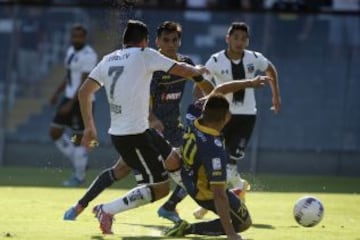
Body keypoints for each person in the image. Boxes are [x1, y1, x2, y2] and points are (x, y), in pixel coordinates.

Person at [62, 20, 212, 222]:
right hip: (137, 134)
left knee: (175, 162)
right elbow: (184, 71)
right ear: (147, 41)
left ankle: (81, 205)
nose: (170, 44)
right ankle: (106, 210)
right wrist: (200, 74)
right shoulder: (145, 55)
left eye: (174, 40)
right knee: (160, 188)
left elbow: (84, 92)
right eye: (164, 40)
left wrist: (89, 127)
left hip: (139, 131)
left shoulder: (108, 59)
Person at [192, 21, 281, 219]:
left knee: (228, 163)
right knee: (216, 161)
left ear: (247, 41)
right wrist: (200, 103)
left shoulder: (254, 58)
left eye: (243, 38)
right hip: (221, 117)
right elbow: (201, 81)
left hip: (246, 117)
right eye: (235, 38)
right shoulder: (215, 60)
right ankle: (237, 188)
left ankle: (228, 194)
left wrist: (276, 96)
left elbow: (270, 69)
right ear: (227, 39)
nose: (239, 42)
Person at [164, 93, 253, 240]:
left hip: (190, 180)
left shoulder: (192, 116)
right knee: (244, 223)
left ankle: (187, 227)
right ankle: (189, 228)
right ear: (226, 117)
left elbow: (200, 102)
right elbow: (218, 194)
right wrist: (231, 233)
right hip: (205, 193)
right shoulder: (214, 150)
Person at [49, 24, 97, 187]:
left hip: (82, 101)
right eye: (74, 36)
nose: (76, 39)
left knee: (79, 139)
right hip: (68, 96)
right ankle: (80, 163)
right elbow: (69, 75)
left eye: (79, 36)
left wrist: (70, 104)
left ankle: (79, 176)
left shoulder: (89, 55)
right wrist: (57, 93)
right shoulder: (70, 51)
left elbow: (84, 81)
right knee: (55, 131)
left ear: (84, 37)